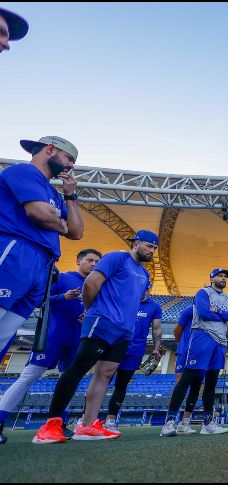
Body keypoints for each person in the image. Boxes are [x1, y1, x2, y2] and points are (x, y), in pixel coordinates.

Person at [32, 231, 156, 444]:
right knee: (78, 368)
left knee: (105, 374)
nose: (151, 251)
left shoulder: (144, 274)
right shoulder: (117, 258)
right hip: (102, 321)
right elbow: (91, 283)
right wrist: (90, 311)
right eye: (148, 246)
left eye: (154, 248)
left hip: (125, 331)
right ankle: (50, 425)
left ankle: (87, 426)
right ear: (135, 244)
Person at [0, 249, 101, 445]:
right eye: (90, 260)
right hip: (54, 336)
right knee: (28, 377)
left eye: (97, 261)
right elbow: (40, 301)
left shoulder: (96, 285)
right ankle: (1, 419)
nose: (94, 264)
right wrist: (64, 297)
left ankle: (59, 424)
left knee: (69, 381)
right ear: (79, 261)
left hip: (78, 339)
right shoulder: (62, 278)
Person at [0, 136, 84, 361]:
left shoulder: (55, 195)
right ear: (50, 150)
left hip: (42, 263)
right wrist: (60, 224)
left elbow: (76, 232)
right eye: (69, 158)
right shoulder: (24, 172)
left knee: (4, 334)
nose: (71, 165)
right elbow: (39, 214)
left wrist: (70, 196)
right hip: (16, 251)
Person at [161, 269, 228, 437]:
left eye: (225, 277)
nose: (223, 278)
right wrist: (224, 314)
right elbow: (204, 313)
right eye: (220, 276)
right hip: (203, 336)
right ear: (212, 278)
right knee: (187, 378)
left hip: (220, 341)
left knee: (212, 383)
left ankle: (207, 424)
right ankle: (169, 423)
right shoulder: (203, 293)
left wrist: (217, 311)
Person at [103, 281, 163, 432]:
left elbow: (156, 329)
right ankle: (87, 419)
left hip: (135, 350)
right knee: (101, 382)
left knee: (121, 385)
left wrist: (156, 349)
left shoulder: (154, 306)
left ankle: (110, 421)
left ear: (148, 289)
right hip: (113, 346)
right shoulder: (122, 299)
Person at [172, 306, 201, 434]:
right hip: (185, 351)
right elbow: (177, 329)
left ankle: (185, 422)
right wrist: (182, 343)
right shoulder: (190, 310)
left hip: (200, 354)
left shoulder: (212, 311)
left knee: (196, 387)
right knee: (180, 384)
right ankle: (170, 420)